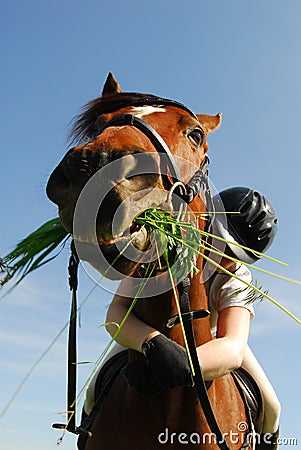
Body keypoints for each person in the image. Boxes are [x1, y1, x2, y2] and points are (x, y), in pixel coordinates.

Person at [84, 187, 280, 449]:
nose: (221, 255)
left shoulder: (237, 277)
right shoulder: (160, 245)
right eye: (215, 239)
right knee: (91, 391)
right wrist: (152, 343)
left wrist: (184, 365)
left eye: (233, 254)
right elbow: (116, 313)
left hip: (211, 342)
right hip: (146, 331)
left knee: (272, 406)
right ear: (206, 221)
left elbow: (233, 347)